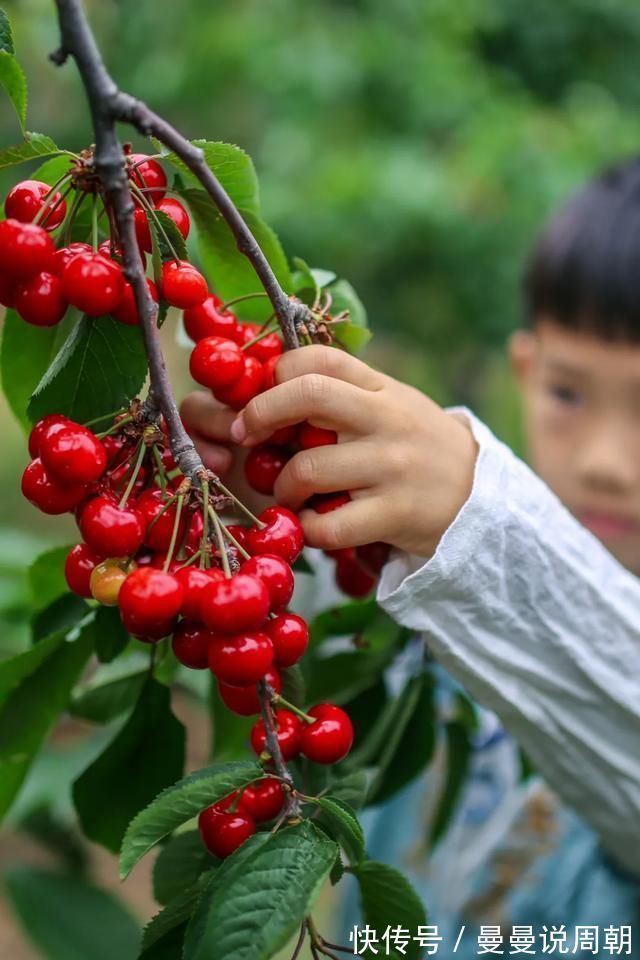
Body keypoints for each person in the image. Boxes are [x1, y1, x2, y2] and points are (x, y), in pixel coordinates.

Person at [181, 156, 640, 956]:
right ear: (525, 371)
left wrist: (480, 520)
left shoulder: (476, 543)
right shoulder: (419, 594)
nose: (607, 459)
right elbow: (320, 616)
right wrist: (258, 518)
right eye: (570, 394)